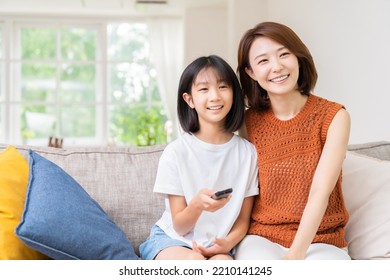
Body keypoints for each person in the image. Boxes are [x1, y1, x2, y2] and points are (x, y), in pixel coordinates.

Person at [234, 22, 351, 260]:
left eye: (284, 54)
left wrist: (295, 255)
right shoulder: (248, 122)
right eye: (263, 61)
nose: (276, 67)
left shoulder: (334, 116)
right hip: (262, 238)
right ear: (251, 73)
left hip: (322, 240)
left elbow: (320, 191)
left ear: (298, 58)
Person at [139, 55, 259, 260]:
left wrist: (227, 244)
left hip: (220, 244)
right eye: (204, 89)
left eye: (223, 87)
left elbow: (242, 220)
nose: (215, 96)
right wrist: (197, 205)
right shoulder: (176, 152)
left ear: (233, 94)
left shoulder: (248, 153)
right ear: (189, 100)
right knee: (194, 262)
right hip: (173, 239)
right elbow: (180, 226)